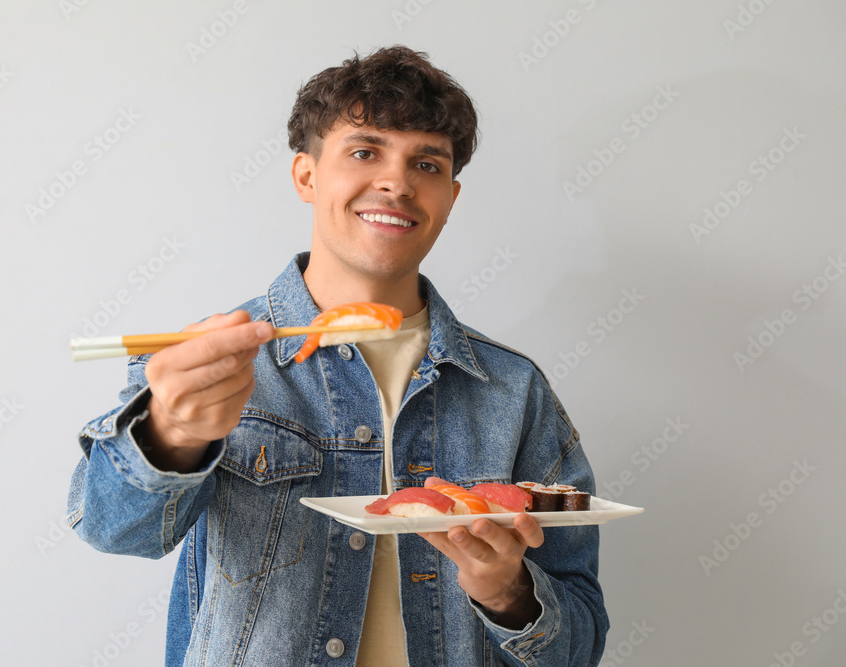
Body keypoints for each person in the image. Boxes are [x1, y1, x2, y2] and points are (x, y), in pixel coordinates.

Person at [68, 45, 609, 666]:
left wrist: (508, 595)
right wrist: (170, 432)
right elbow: (113, 531)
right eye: (364, 151)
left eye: (427, 164)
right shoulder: (203, 360)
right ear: (306, 175)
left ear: (451, 198)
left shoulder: (510, 389)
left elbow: (579, 649)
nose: (397, 183)